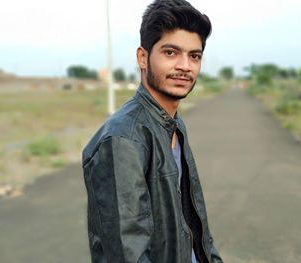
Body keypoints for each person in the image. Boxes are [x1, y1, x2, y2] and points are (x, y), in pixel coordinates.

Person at [82, 0, 224, 262]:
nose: (185, 66)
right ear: (143, 58)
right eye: (171, 52)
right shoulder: (123, 140)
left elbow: (194, 222)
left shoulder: (174, 124)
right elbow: (128, 254)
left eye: (194, 56)